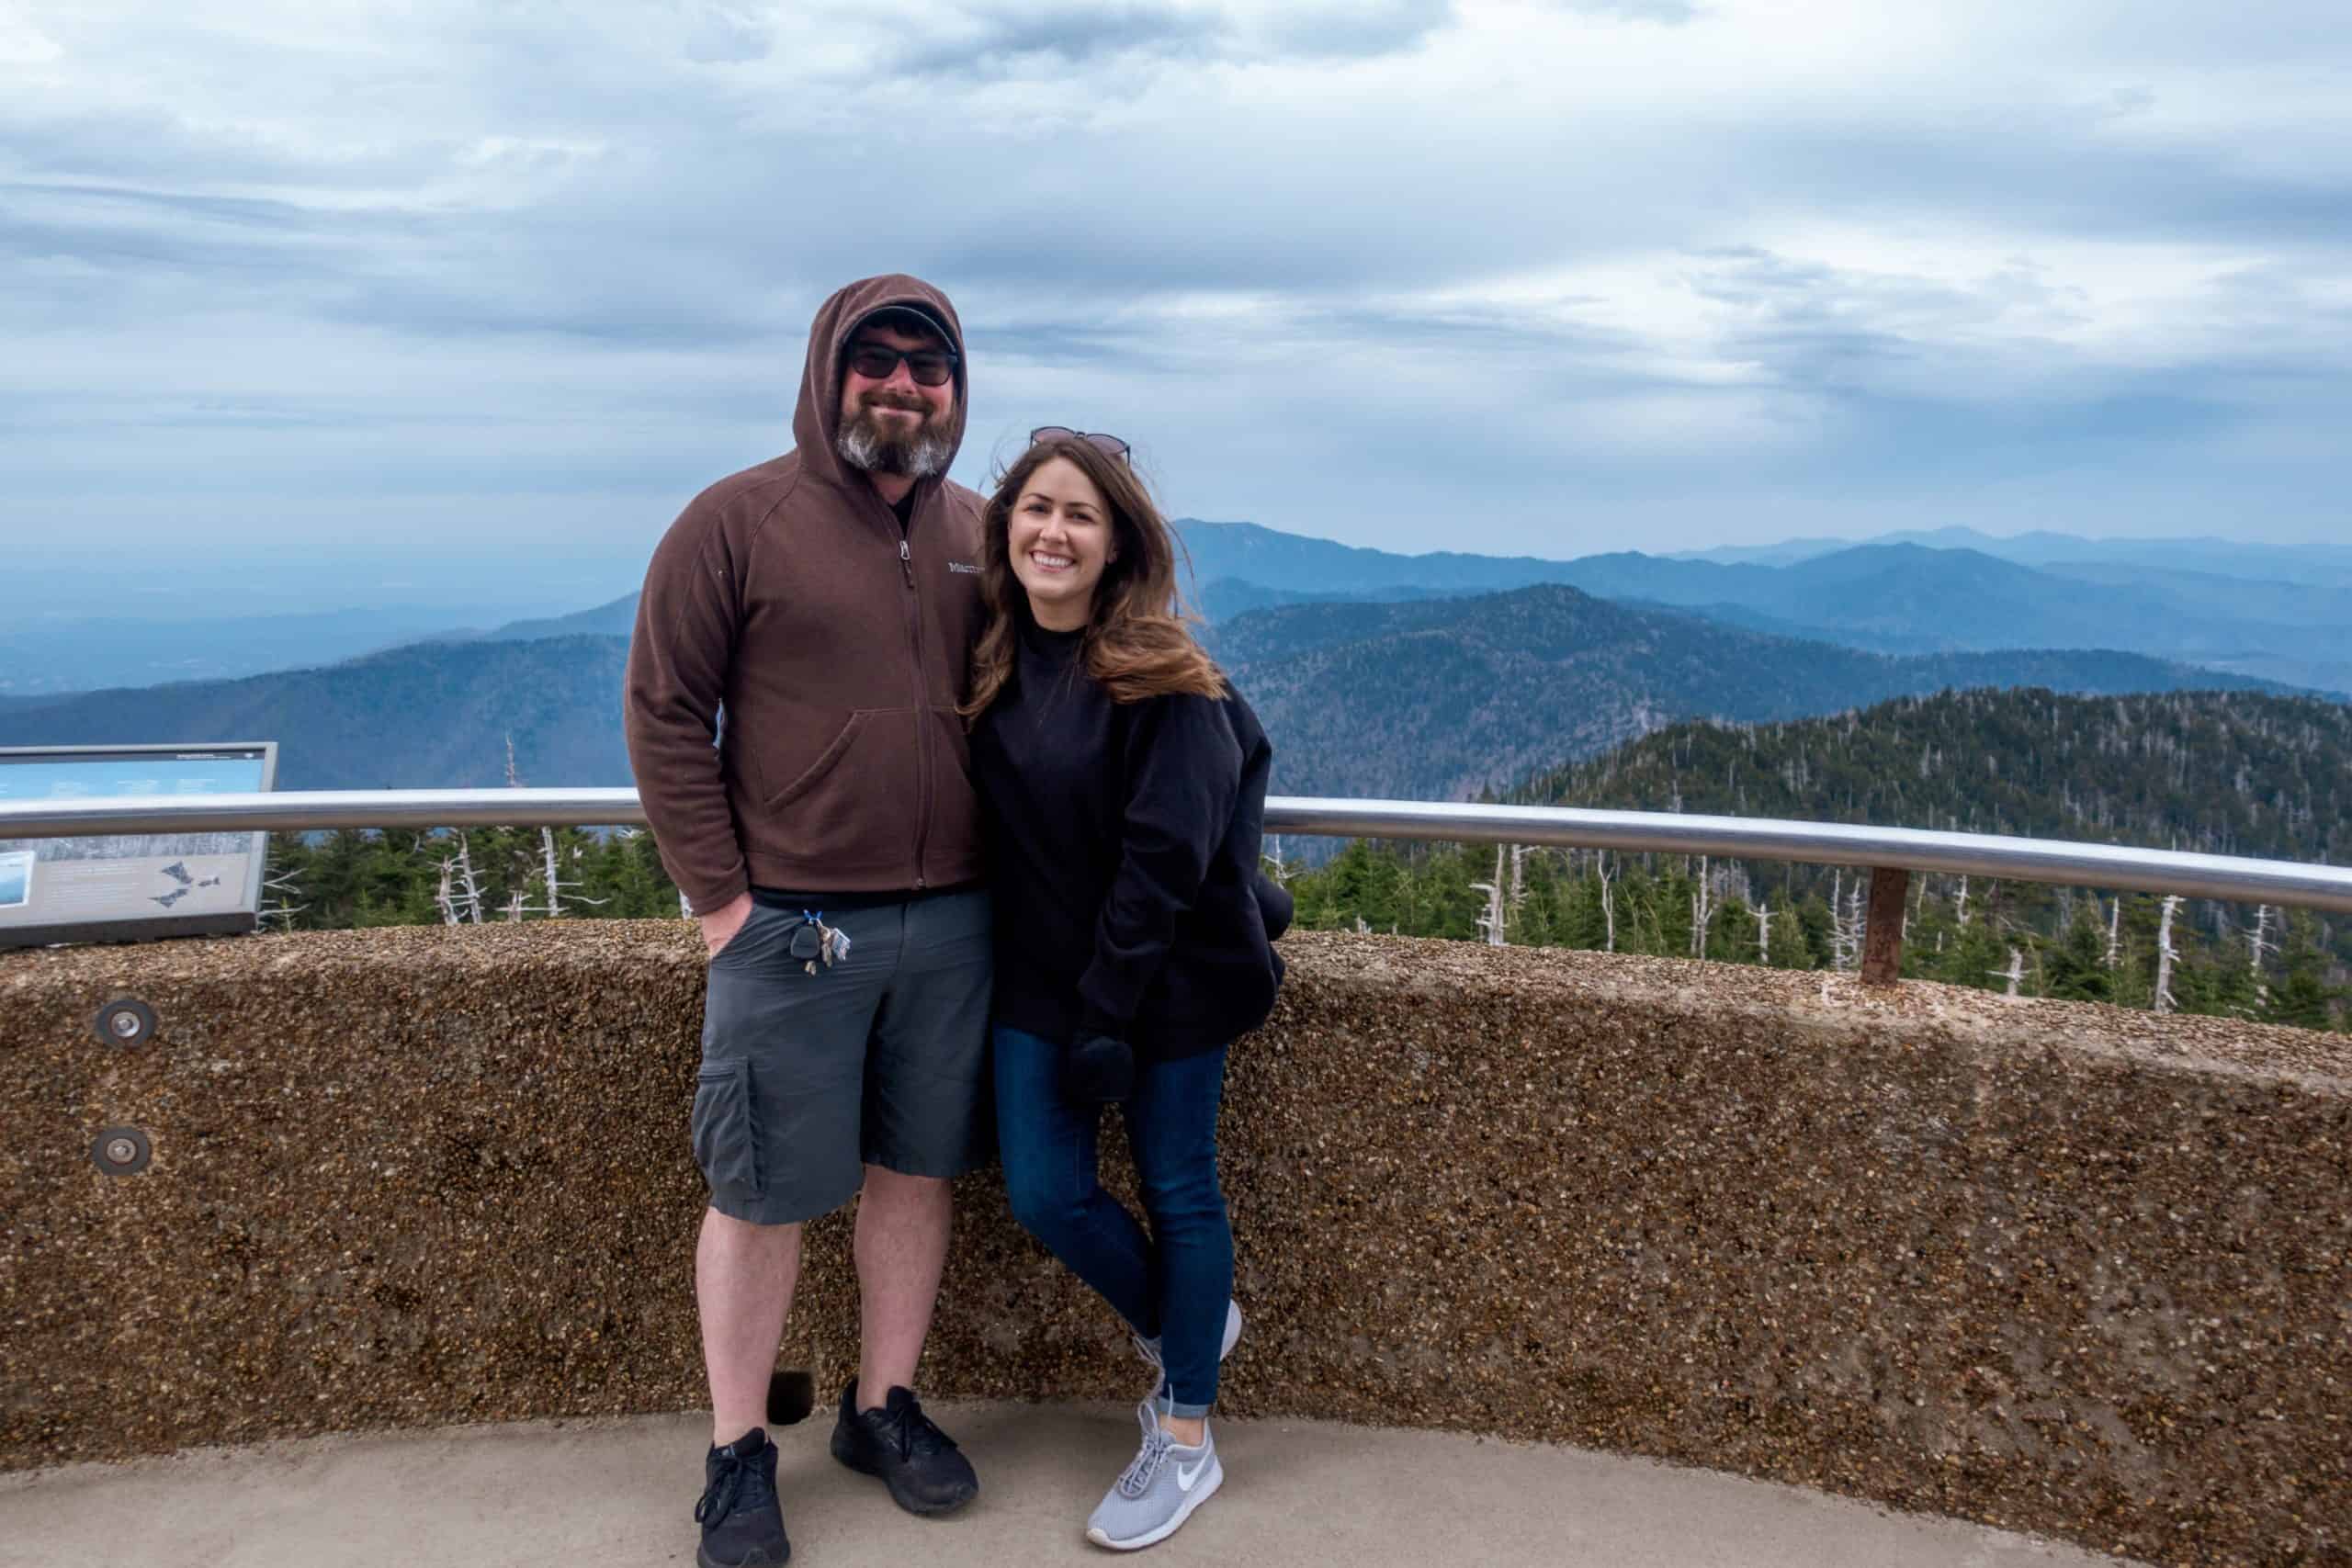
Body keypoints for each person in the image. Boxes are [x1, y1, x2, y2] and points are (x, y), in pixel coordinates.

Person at [625, 274, 994, 1568]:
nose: (901, 385)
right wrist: (724, 905)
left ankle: (880, 1406)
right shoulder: (734, 521)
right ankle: (737, 1451)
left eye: (927, 366)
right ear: (827, 369)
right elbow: (665, 711)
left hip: (952, 922)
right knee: (759, 1189)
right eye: (875, 360)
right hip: (790, 924)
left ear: (957, 389)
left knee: (916, 1167)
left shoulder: (982, 529)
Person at [964, 428, 1291, 1551]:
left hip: (1165, 985)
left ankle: (1187, 1437)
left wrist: (1107, 1013)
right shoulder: (997, 657)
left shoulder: (1165, 675)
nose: (1054, 531)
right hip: (1041, 979)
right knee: (1045, 1194)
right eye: (1036, 508)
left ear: (1117, 543)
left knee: (1178, 1188)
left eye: (1081, 515)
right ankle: (1185, 1323)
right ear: (1006, 526)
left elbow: (1165, 862)